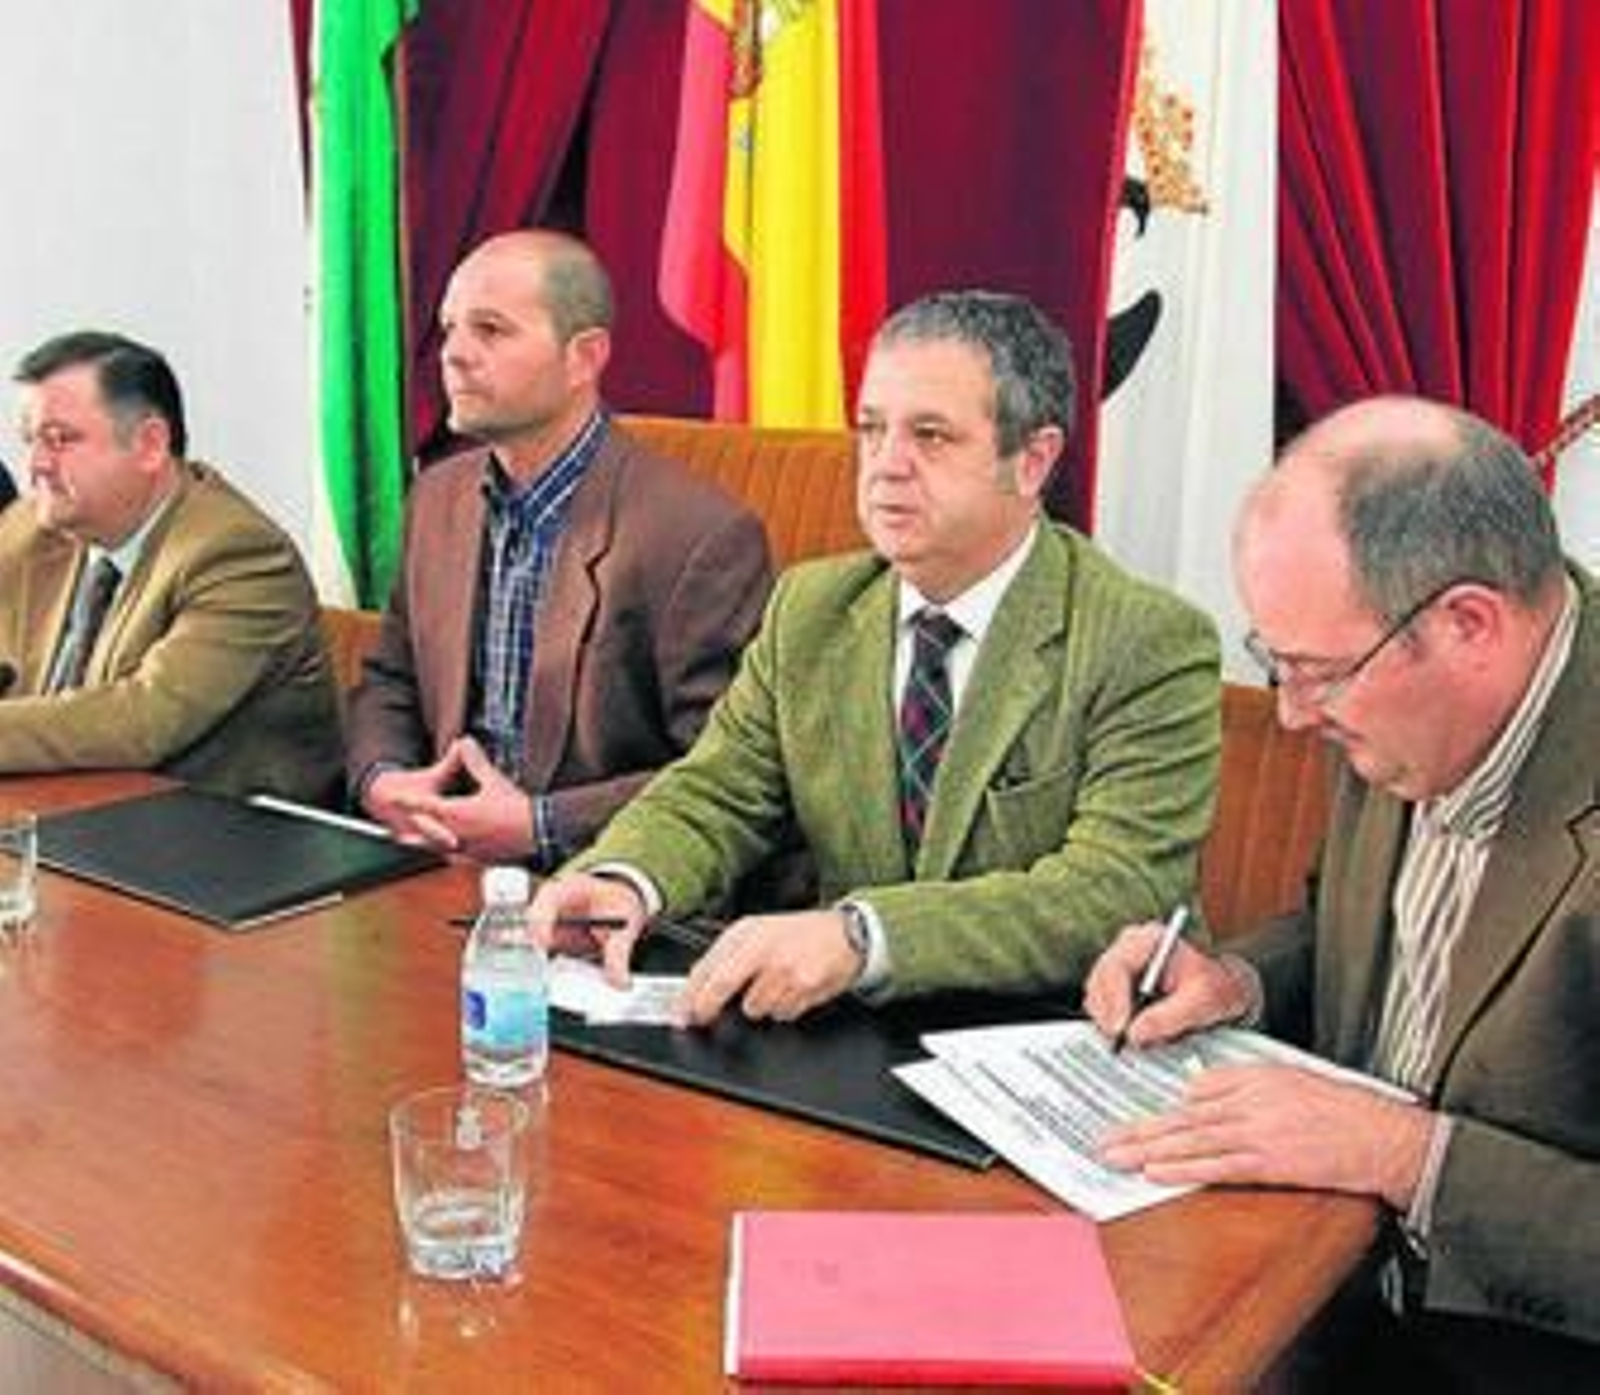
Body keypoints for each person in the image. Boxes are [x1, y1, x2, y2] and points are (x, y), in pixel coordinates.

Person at [1083, 396, 1599, 1387]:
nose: (1288, 714)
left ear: (1468, 625)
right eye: (1274, 665)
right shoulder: (1393, 701)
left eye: (1316, 673)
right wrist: (1236, 981)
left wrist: (1405, 1157)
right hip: (1316, 1282)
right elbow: (1347, 929)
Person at [532, 290, 1221, 1025]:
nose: (886, 465)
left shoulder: (1147, 640)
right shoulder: (812, 608)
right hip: (848, 1041)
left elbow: (1109, 891)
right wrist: (626, 879)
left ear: (1032, 460)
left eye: (930, 435)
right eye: (871, 429)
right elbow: (720, 791)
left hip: (1054, 1040)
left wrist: (865, 935)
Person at [346, 230, 773, 866]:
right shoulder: (437, 497)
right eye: (449, 327)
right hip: (435, 865)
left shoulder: (701, 537)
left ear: (584, 358)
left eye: (490, 330)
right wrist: (382, 778)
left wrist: (541, 825)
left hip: (601, 882)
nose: (454, 354)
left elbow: (730, 773)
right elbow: (391, 679)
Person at [0, 331, 341, 800]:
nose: (36, 464)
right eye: (29, 440)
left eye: (60, 440)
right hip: (71, 817)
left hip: (227, 840)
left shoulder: (239, 553)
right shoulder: (34, 528)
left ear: (150, 445)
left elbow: (141, 720)